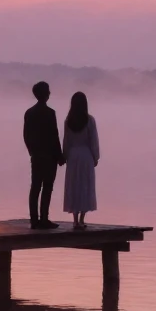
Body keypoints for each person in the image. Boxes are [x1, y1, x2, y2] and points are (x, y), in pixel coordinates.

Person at [23, 81, 63, 229]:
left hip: (37, 156)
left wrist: (32, 152)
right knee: (47, 187)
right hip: (49, 156)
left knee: (35, 187)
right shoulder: (50, 113)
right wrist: (59, 156)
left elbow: (26, 135)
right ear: (46, 94)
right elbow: (54, 136)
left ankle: (34, 220)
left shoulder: (29, 112)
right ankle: (44, 218)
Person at [61, 91, 99, 229]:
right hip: (86, 155)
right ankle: (82, 219)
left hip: (73, 156)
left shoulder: (68, 121)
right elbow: (93, 141)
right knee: (85, 186)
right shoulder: (90, 120)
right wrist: (96, 157)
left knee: (73, 186)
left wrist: (65, 156)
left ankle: (75, 219)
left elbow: (66, 141)